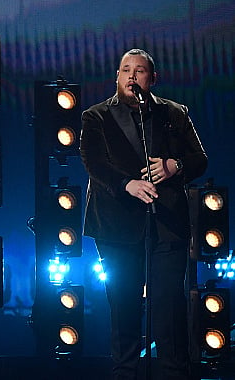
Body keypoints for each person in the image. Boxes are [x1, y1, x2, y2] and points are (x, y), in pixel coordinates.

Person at [80, 49, 207, 379]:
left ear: (153, 78)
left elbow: (199, 159)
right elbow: (94, 164)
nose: (132, 76)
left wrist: (173, 165)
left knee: (168, 307)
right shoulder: (95, 117)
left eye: (139, 70)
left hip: (166, 225)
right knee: (124, 306)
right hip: (116, 226)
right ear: (117, 77)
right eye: (126, 70)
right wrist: (128, 185)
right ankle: (126, 372)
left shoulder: (174, 114)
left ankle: (173, 371)